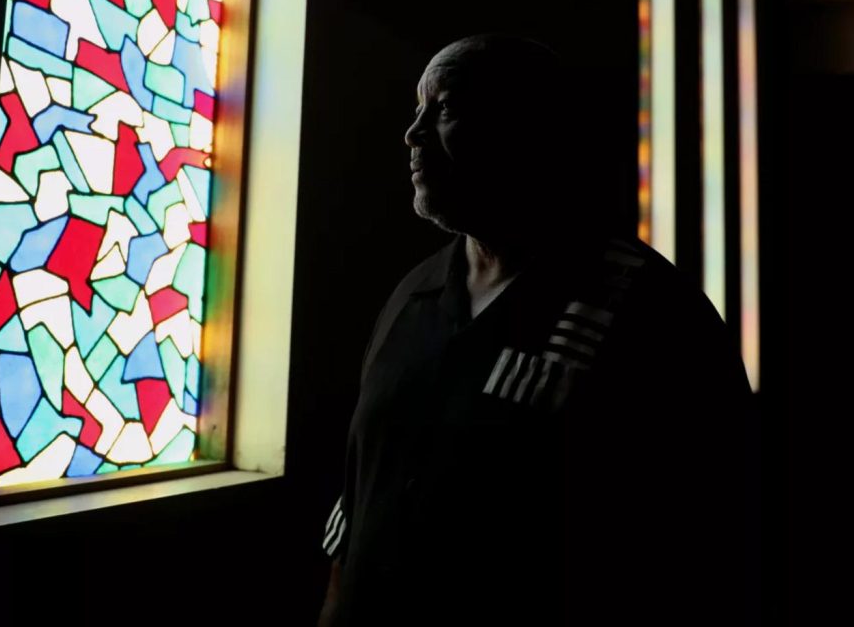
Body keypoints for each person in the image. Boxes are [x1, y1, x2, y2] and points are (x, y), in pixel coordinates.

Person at [318, 34, 757, 626]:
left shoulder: (652, 315)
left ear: (529, 127)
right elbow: (360, 490)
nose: (413, 133)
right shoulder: (410, 297)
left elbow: (712, 537)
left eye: (445, 108)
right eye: (416, 109)